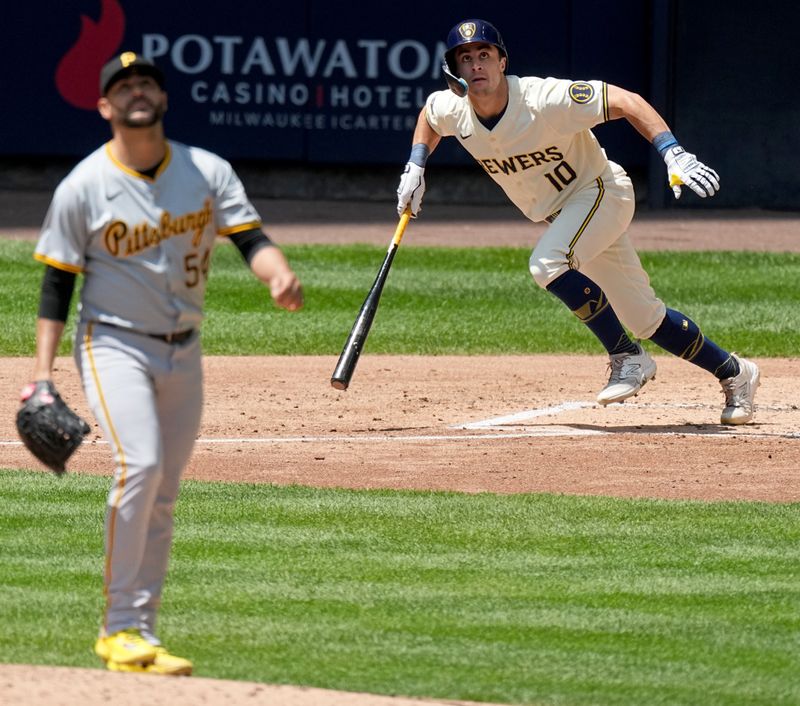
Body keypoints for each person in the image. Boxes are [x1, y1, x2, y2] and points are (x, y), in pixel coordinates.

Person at [25, 52, 303, 675]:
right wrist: (42, 377)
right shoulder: (83, 186)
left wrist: (276, 272)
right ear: (104, 106)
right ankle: (118, 627)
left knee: (164, 491)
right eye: (123, 87)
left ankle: (141, 634)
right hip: (112, 343)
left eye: (147, 82)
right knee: (140, 465)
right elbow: (55, 287)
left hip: (185, 349)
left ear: (164, 98)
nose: (137, 92)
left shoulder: (206, 171)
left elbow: (251, 240)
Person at [396, 19, 760, 425]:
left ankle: (626, 356)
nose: (476, 64)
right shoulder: (452, 108)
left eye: (485, 55)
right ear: (453, 72)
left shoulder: (543, 99)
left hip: (602, 192)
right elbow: (430, 116)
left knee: (547, 264)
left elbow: (627, 101)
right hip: (569, 215)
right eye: (466, 58)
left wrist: (672, 152)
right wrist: (416, 166)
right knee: (646, 318)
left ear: (502, 62)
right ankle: (736, 373)